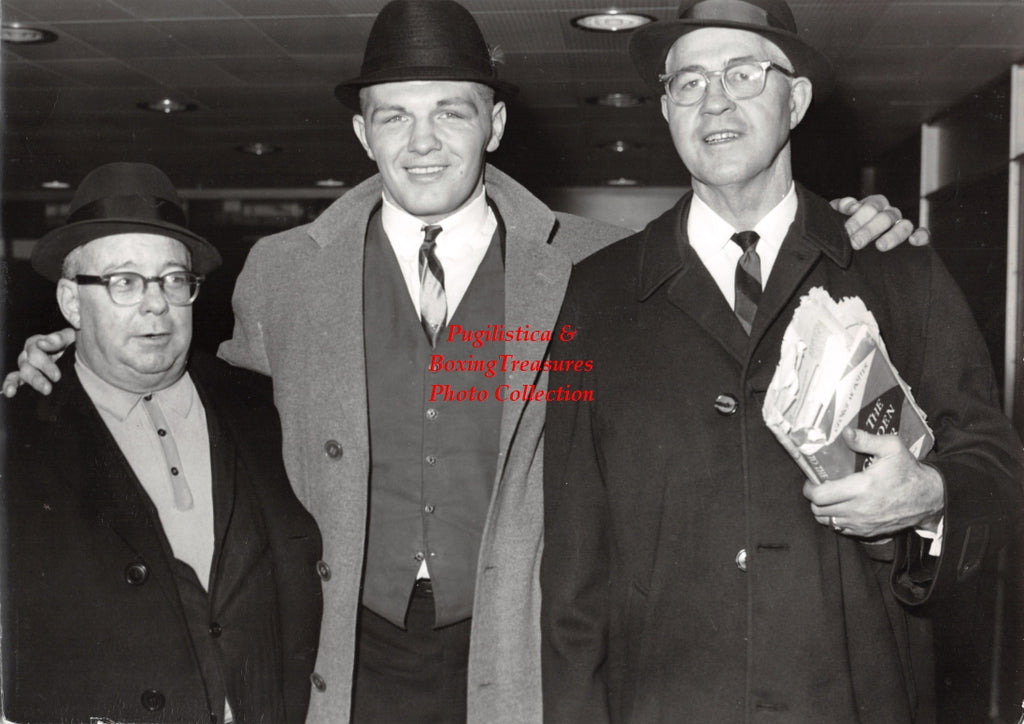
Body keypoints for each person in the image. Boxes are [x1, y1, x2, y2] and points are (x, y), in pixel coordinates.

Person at [1, 2, 928, 722]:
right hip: (341, 650)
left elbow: (742, 259)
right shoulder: (284, 273)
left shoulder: (597, 263)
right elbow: (203, 396)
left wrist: (852, 227)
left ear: (494, 124)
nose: (422, 141)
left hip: (517, 645)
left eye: (451, 111)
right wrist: (65, 363)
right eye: (392, 117)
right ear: (362, 135)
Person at [539, 0, 1024, 722]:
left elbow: (996, 466)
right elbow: (575, 562)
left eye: (744, 72)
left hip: (854, 695)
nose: (716, 101)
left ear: (794, 99)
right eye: (689, 82)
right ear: (666, 109)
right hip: (665, 701)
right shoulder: (600, 295)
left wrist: (929, 495)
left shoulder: (895, 269)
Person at [1, 162, 324, 724]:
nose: (157, 304)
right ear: (73, 303)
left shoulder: (264, 405)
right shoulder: (20, 433)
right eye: (124, 282)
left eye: (174, 280)